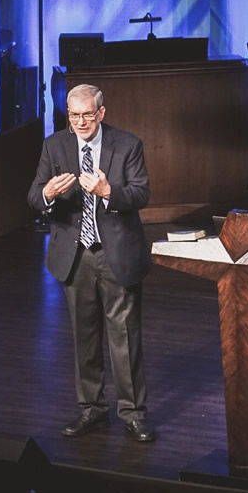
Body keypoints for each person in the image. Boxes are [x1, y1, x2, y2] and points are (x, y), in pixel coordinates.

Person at [27, 83, 156, 442]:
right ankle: (92, 410)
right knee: (84, 336)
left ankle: (132, 413)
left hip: (116, 252)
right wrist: (48, 194)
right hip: (75, 255)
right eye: (73, 115)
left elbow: (141, 193)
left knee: (124, 337)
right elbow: (34, 194)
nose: (80, 122)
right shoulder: (55, 145)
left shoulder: (127, 144)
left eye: (87, 114)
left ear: (101, 113)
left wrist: (108, 192)